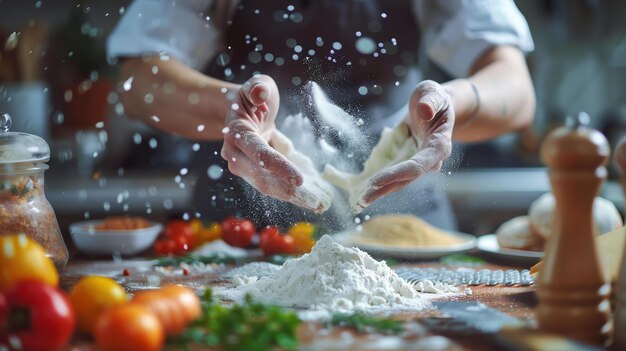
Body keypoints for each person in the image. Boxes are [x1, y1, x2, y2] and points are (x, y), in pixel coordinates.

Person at [107, 0, 535, 231]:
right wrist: (234, 108)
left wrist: (449, 105)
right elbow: (137, 81)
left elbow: (515, 90)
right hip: (243, 235)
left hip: (405, 237)